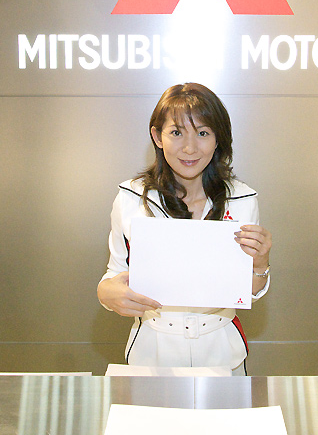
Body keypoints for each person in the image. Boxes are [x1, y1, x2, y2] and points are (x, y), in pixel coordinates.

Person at [97, 83, 271, 375]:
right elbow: (114, 274)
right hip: (152, 352)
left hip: (221, 352)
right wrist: (106, 293)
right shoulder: (131, 198)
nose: (190, 148)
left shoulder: (242, 199)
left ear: (218, 138)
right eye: (176, 133)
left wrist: (261, 263)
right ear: (157, 136)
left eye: (202, 133)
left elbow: (247, 292)